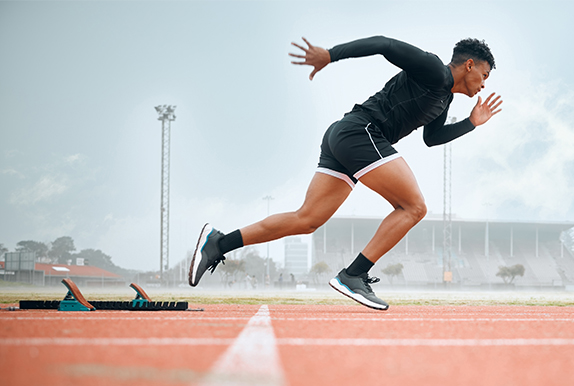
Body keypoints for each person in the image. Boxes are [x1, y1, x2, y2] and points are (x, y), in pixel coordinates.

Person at [188, 36, 502, 310]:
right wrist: (330, 54)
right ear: (469, 65)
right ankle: (354, 275)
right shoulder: (433, 69)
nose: (484, 84)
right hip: (361, 132)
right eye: (484, 75)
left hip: (347, 136)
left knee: (307, 219)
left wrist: (471, 124)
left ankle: (218, 243)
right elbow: (385, 44)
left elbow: (431, 138)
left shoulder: (444, 98)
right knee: (414, 207)